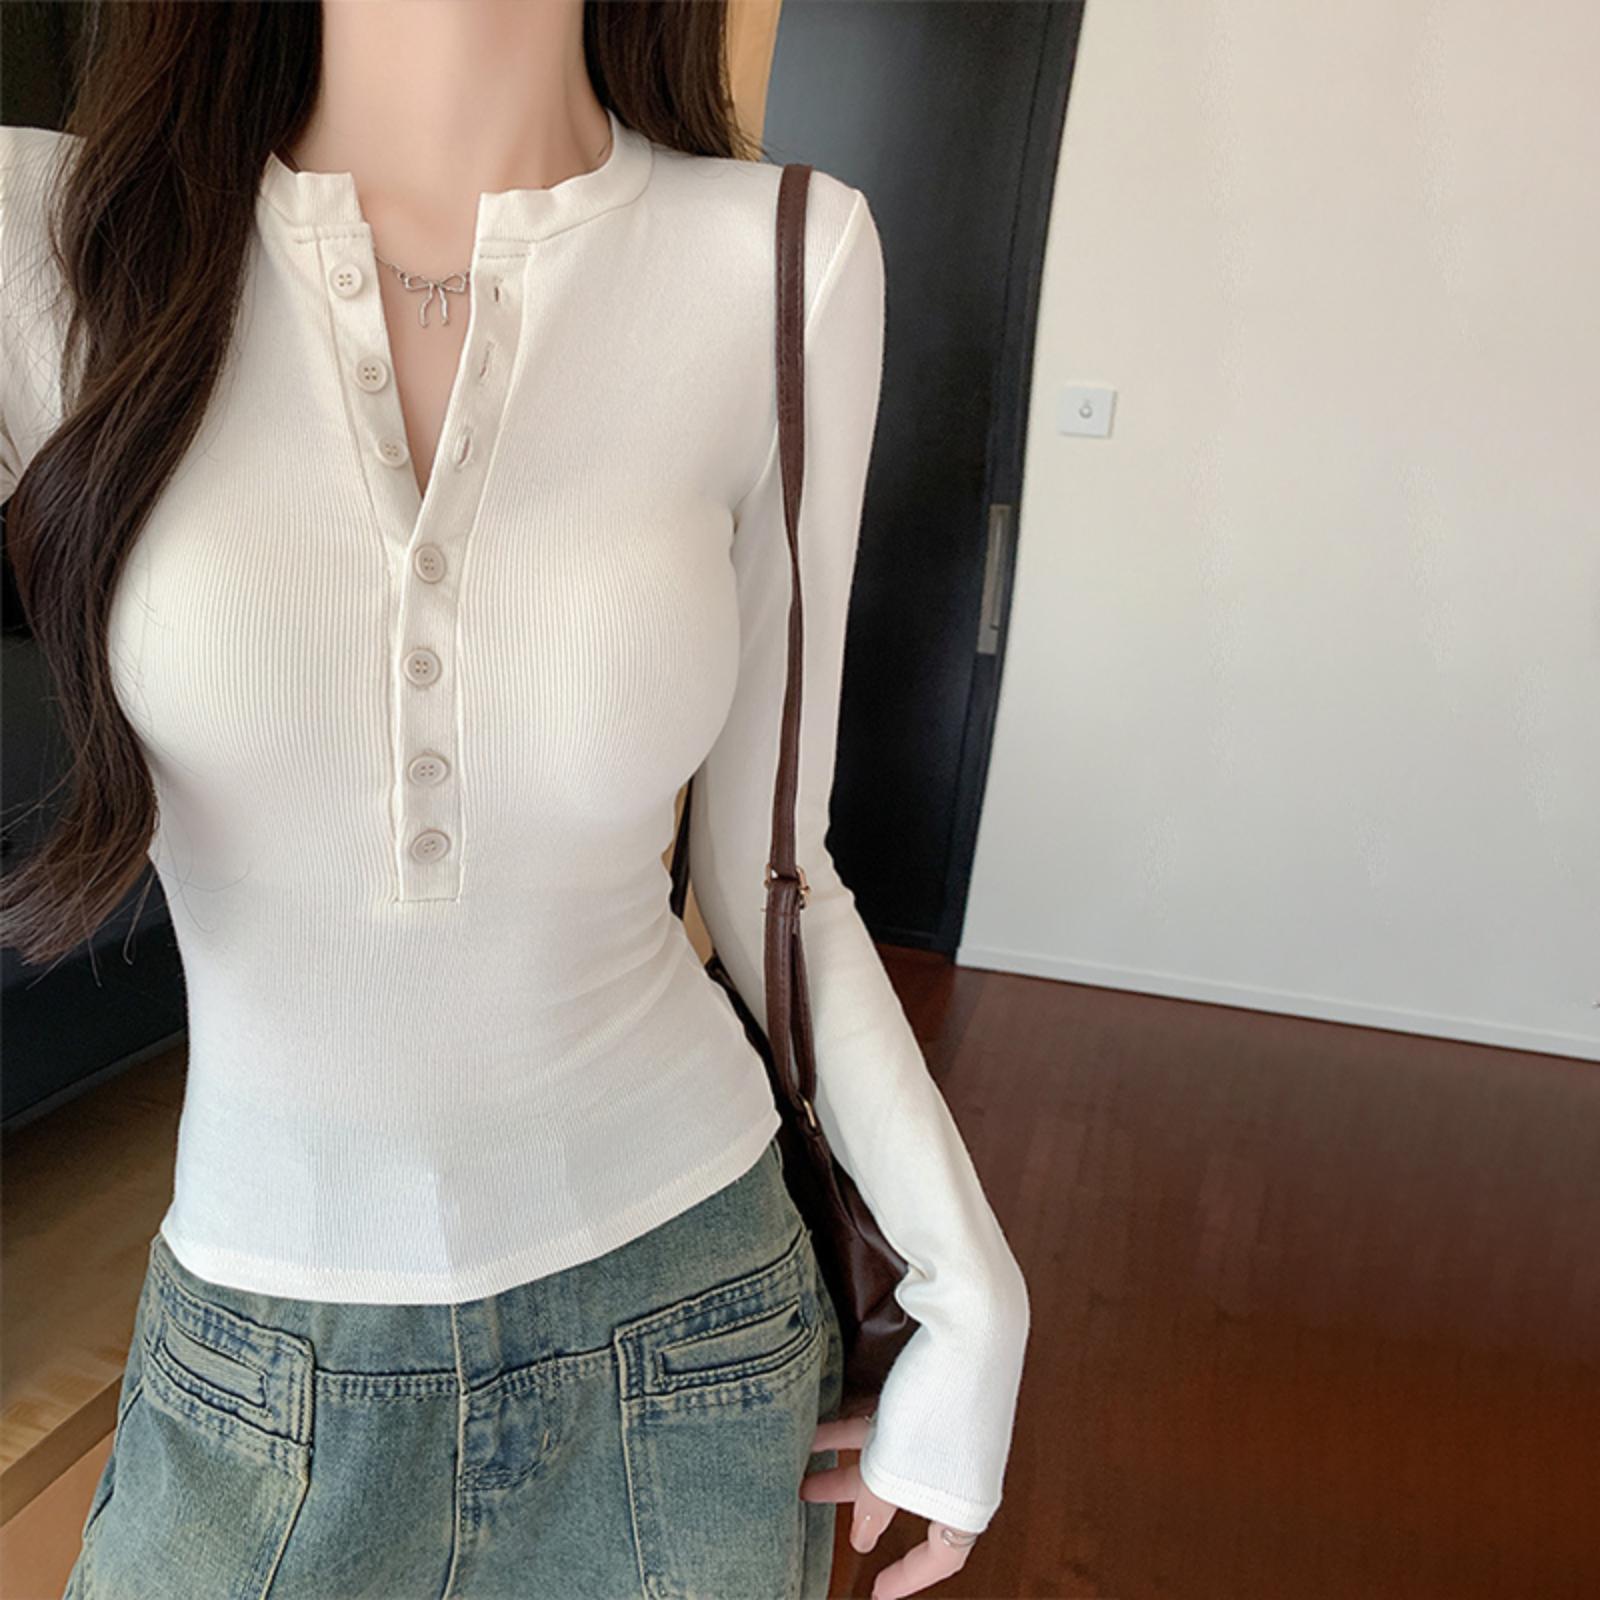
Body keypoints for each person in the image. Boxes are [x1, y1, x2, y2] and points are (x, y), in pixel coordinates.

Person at [0, 3, 1030, 1596]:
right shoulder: (52, 235)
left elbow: (777, 871)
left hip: (687, 1333)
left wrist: (974, 1293)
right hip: (254, 1351)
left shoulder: (784, 257)